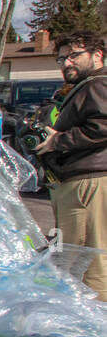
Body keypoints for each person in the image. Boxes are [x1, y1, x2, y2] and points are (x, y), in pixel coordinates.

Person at [34, 30, 107, 300]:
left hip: (88, 184)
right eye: (62, 58)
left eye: (74, 55)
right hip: (78, 183)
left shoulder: (98, 85)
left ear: (97, 55)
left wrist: (58, 140)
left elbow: (102, 125)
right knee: (74, 258)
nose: (66, 63)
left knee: (87, 261)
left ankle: (95, 327)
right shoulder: (86, 87)